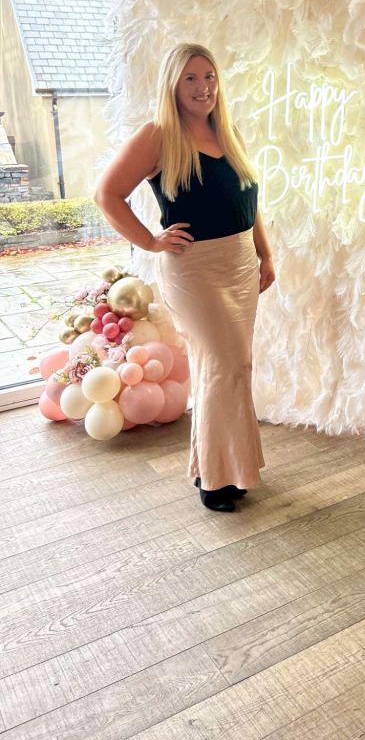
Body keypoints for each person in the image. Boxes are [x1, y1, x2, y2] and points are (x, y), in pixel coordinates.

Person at [95, 43, 275, 512]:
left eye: (209, 77)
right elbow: (107, 194)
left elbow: (250, 203)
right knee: (222, 365)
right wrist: (152, 241)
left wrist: (265, 255)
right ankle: (217, 479)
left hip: (239, 263)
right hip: (193, 269)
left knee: (235, 368)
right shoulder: (158, 134)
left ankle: (221, 468)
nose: (203, 88)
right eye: (191, 79)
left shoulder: (227, 131)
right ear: (174, 85)